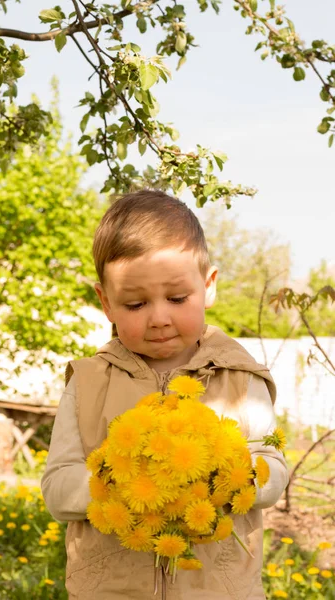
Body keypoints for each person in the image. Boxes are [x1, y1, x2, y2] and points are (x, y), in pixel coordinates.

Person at [41, 190, 289, 600]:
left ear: (208, 286)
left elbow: (273, 470)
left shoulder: (241, 378)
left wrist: (224, 476)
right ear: (106, 303)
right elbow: (57, 487)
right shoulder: (86, 383)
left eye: (177, 299)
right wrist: (127, 483)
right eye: (135, 304)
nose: (159, 318)